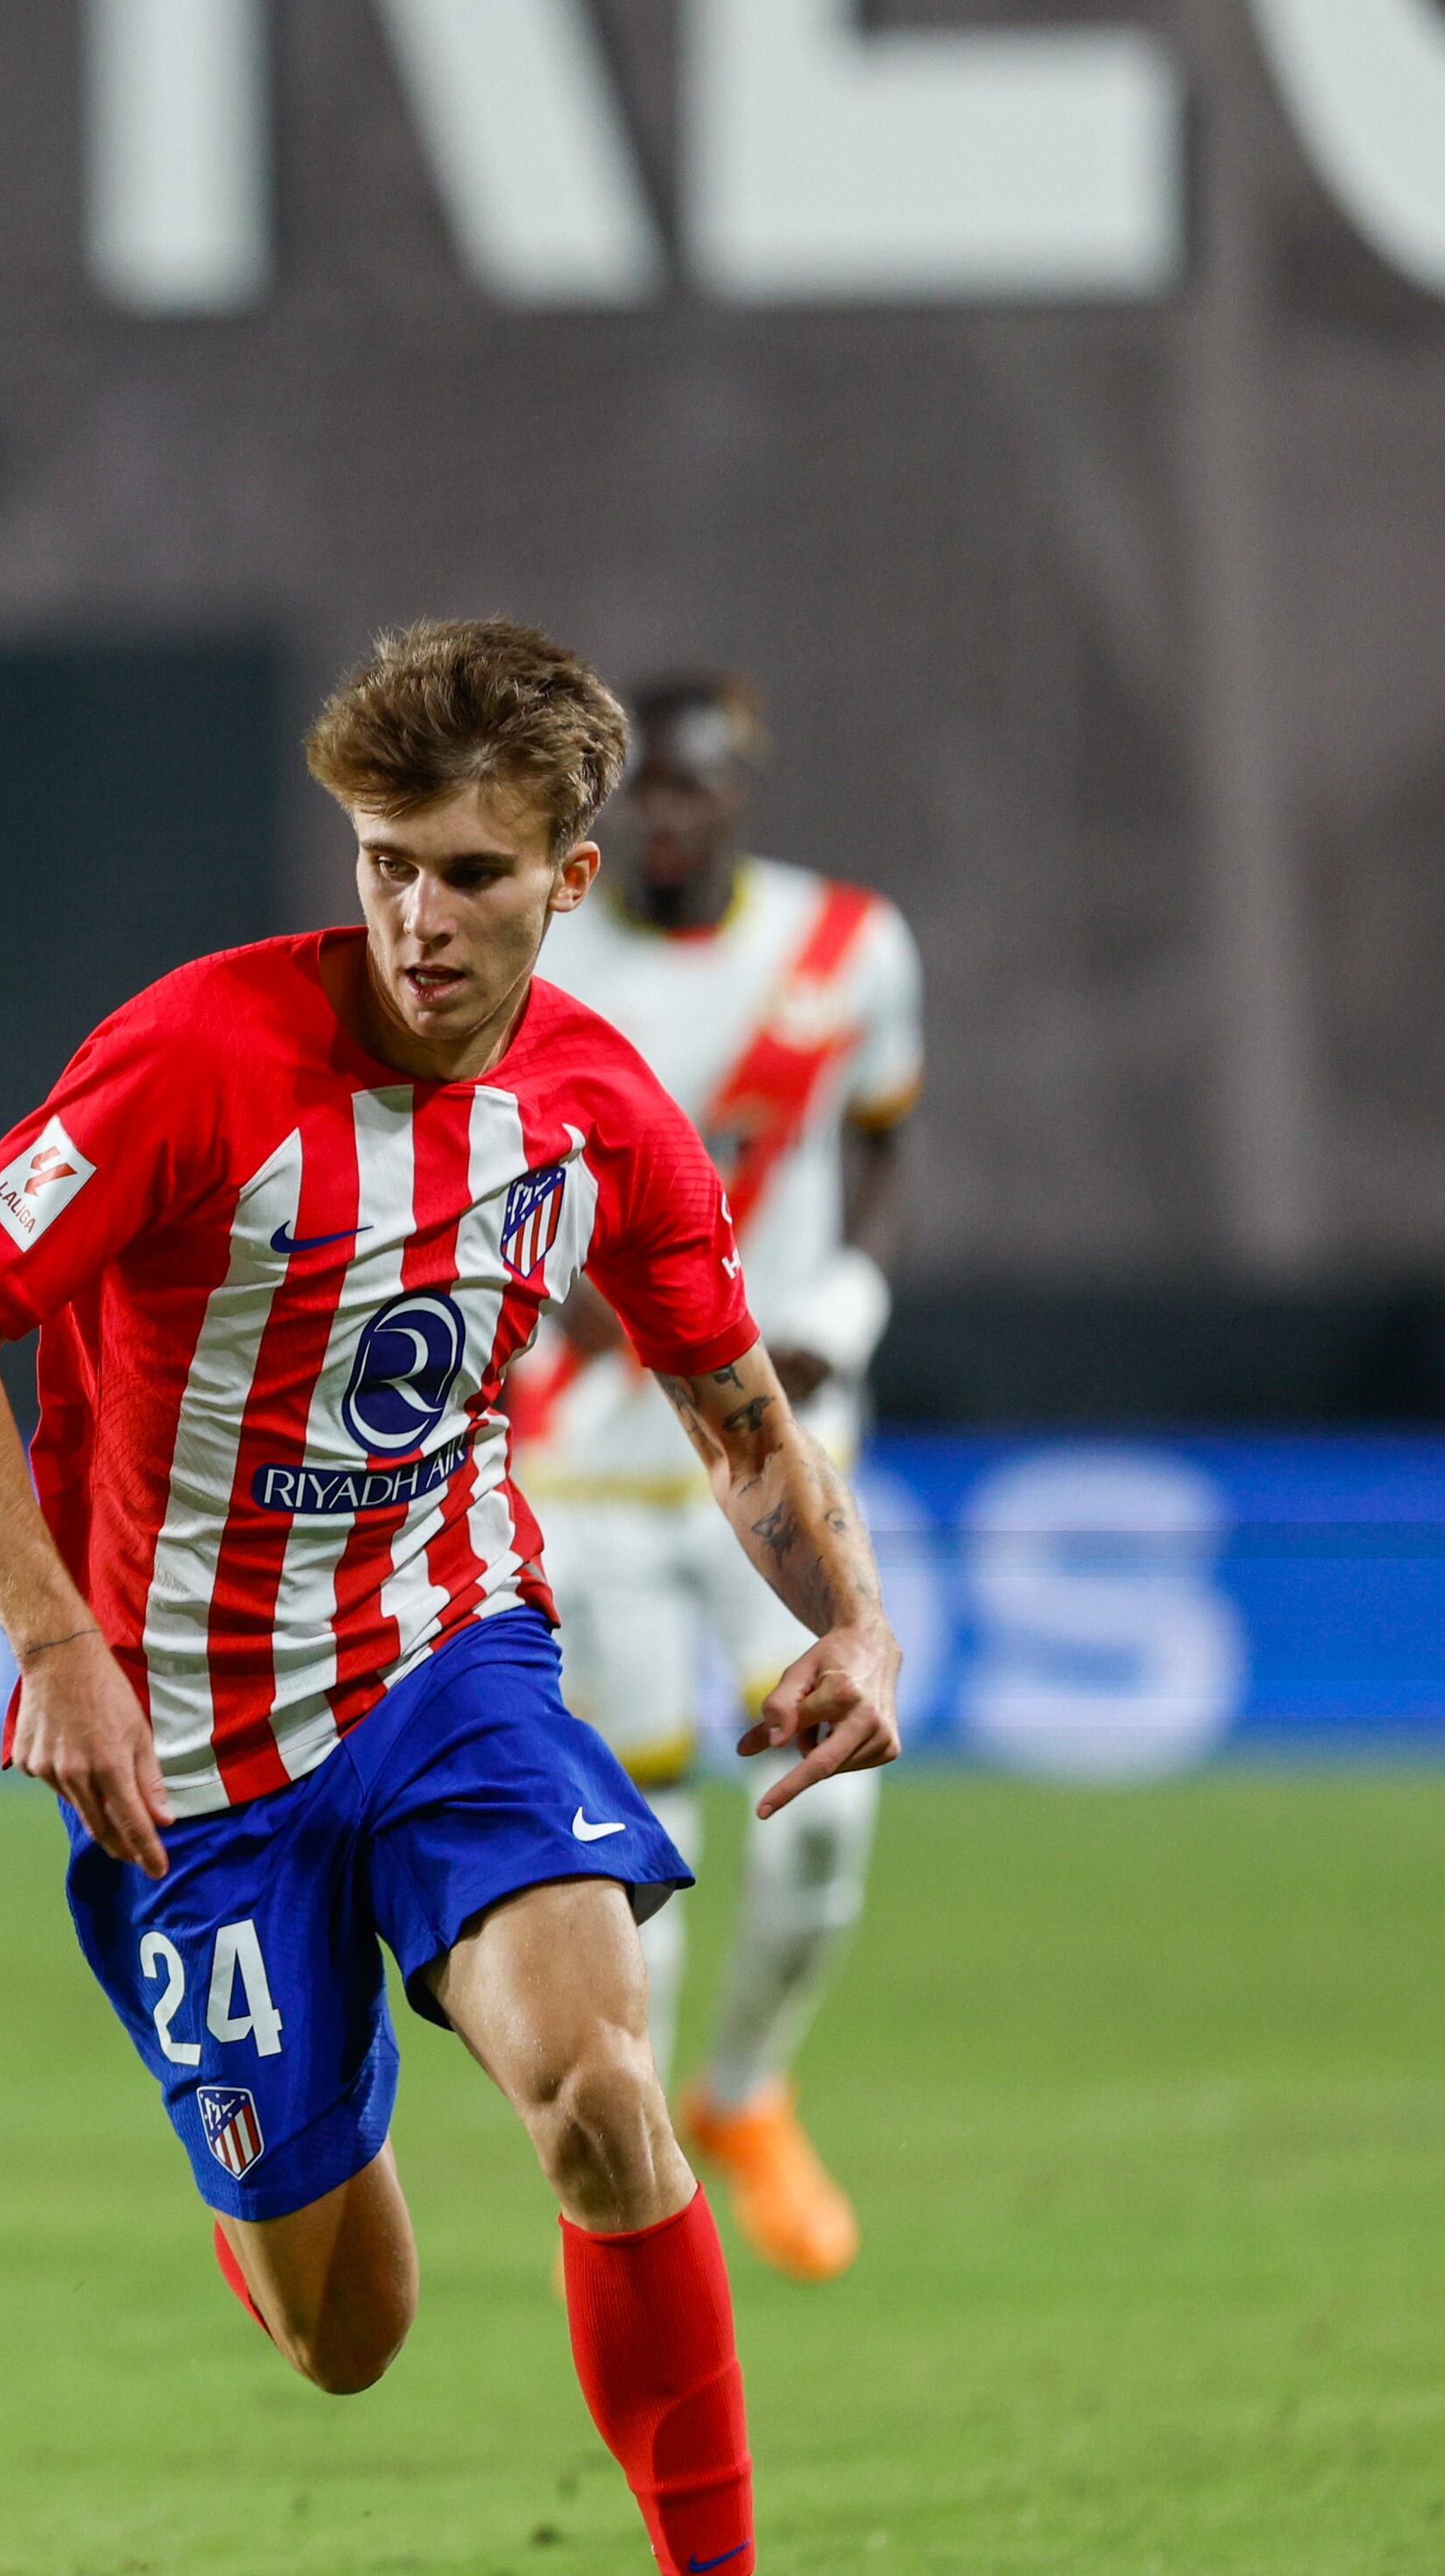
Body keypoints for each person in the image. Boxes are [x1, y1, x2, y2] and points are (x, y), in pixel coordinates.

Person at [0, 619, 896, 2576]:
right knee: (350, 2336)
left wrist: (854, 1624)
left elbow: (732, 1415)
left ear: (569, 874)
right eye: (381, 865)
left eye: (468, 874)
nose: (418, 920)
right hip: (183, 1756)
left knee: (602, 2090)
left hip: (450, 1669)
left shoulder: (599, 1106)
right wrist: (55, 1641)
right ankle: (262, 2148)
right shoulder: (191, 1058)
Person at [518, 675, 921, 2280]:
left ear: (739, 793)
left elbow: (885, 1138)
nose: (663, 824)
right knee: (645, 1833)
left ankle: (749, 2089)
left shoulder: (848, 950)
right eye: (642, 800)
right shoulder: (550, 957)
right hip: (594, 1470)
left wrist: (845, 1302)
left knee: (826, 1825)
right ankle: (654, 2180)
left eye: (690, 793)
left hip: (778, 1462)